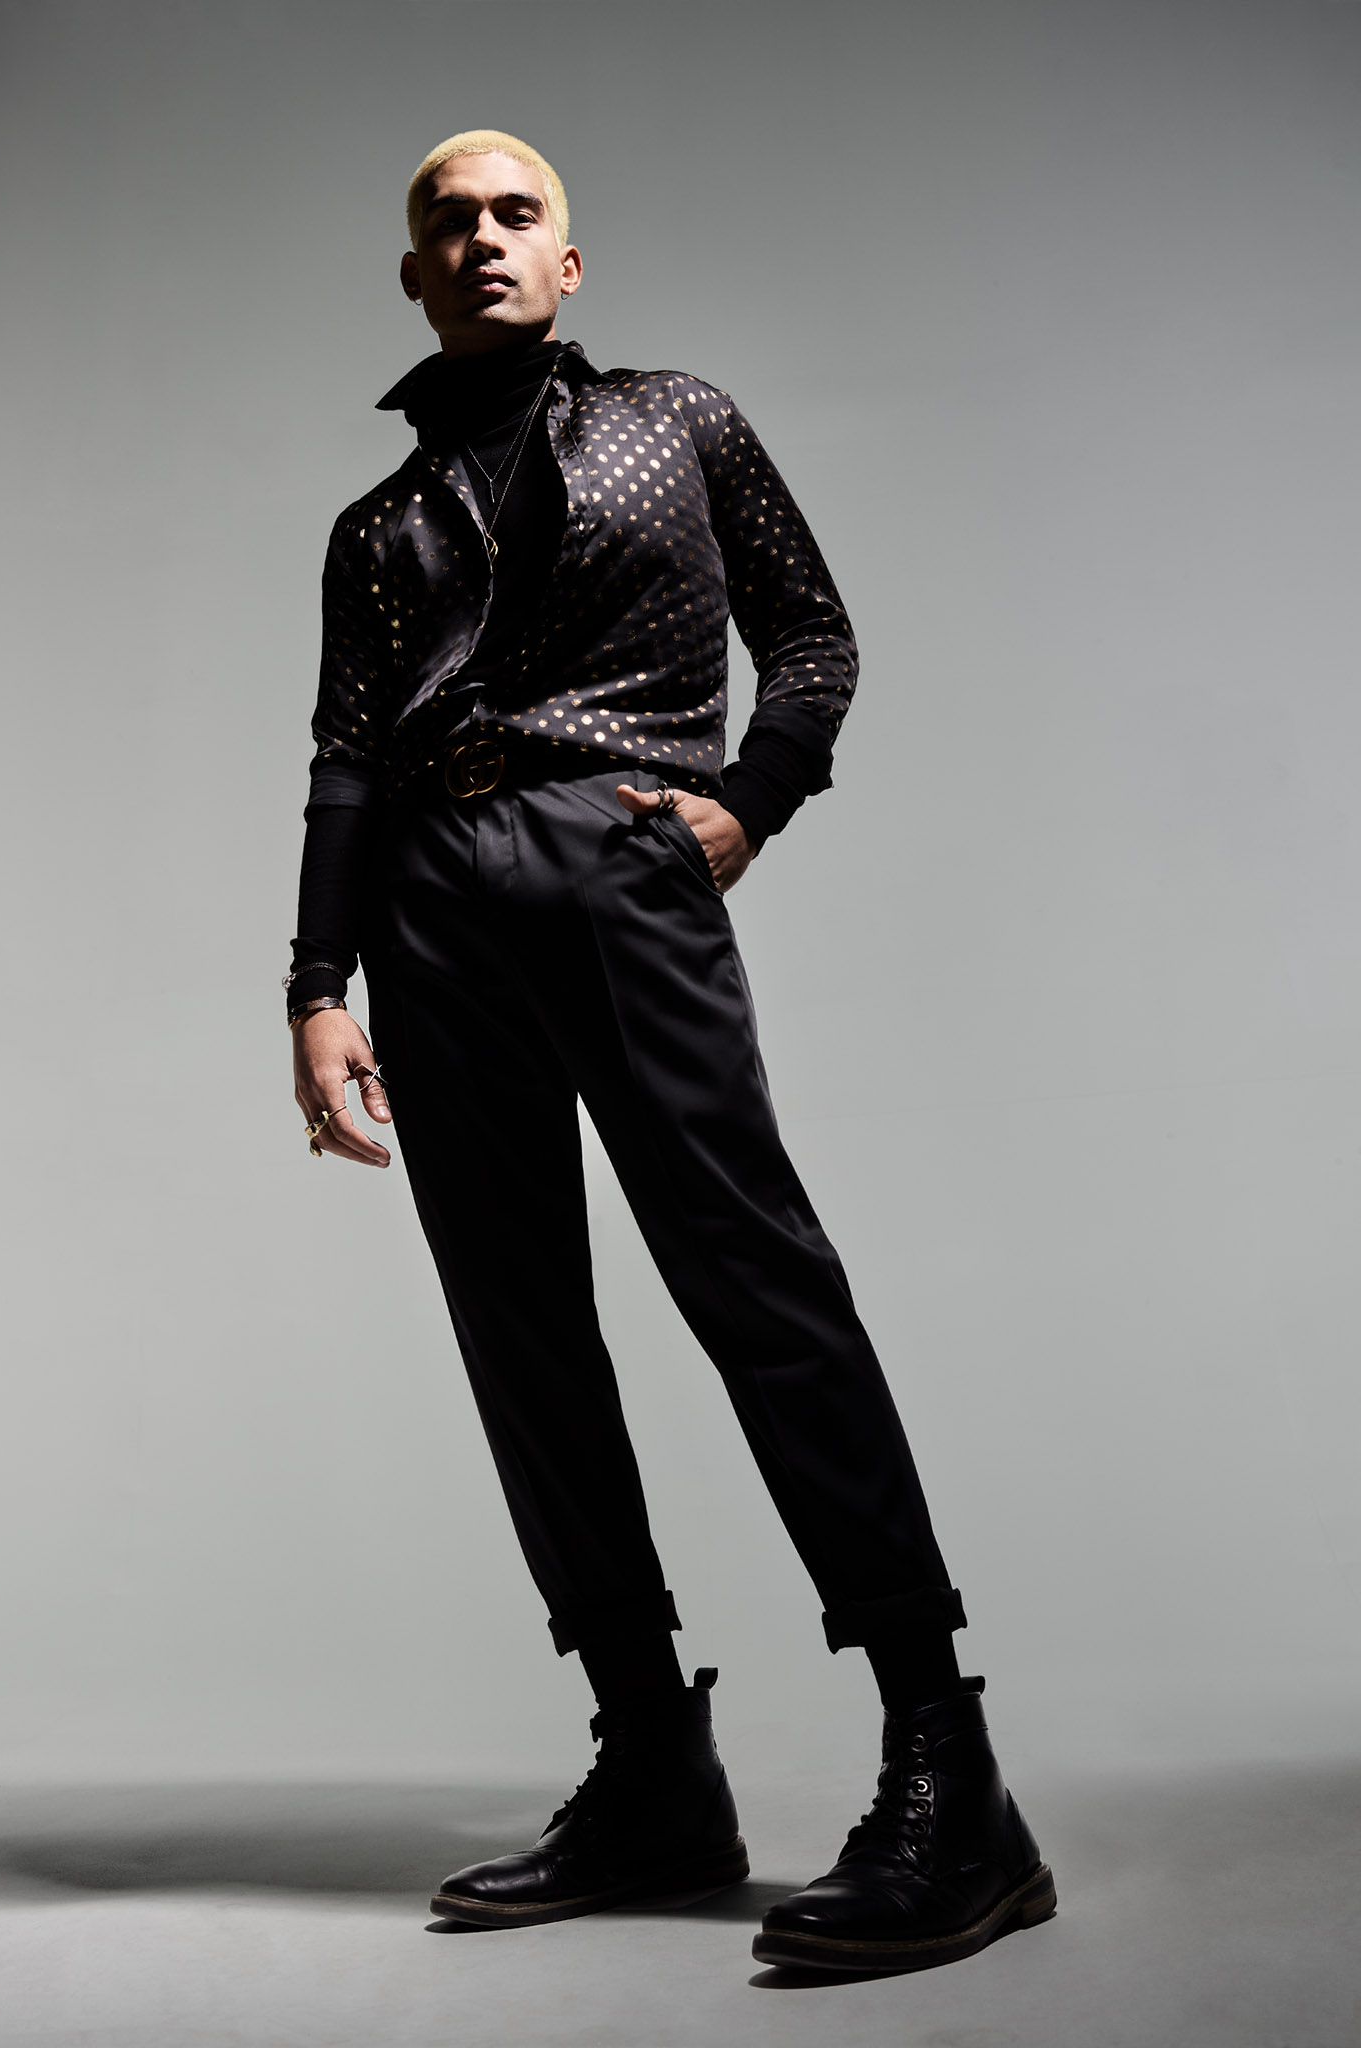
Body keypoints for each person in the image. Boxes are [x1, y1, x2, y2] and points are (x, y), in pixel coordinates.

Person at [285, 128, 1053, 1976]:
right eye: (450, 222)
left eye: (516, 214)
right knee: (518, 1323)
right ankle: (650, 1761)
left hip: (622, 866)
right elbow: (347, 761)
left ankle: (950, 1771)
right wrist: (316, 986)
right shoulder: (376, 530)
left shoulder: (677, 422)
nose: (483, 238)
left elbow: (812, 637)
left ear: (569, 261)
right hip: (433, 908)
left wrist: (747, 803)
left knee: (754, 1278)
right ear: (413, 276)